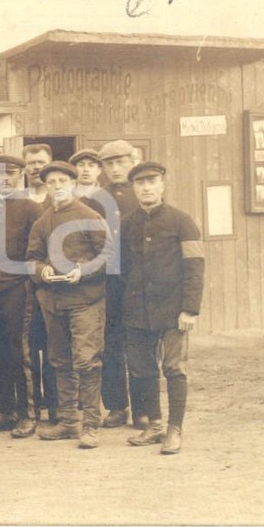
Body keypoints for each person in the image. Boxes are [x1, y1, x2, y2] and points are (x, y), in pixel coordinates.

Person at [26, 161, 115, 449]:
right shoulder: (42, 222)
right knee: (60, 361)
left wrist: (83, 270)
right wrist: (42, 271)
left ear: (73, 184)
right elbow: (32, 259)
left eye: (63, 180)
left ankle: (90, 425)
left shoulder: (90, 216)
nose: (58, 186)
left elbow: (109, 257)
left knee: (87, 361)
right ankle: (68, 422)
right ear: (47, 187)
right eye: (52, 182)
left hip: (85, 302)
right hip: (53, 302)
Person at [120, 163, 205, 455]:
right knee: (143, 370)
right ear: (134, 188)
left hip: (173, 310)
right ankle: (154, 425)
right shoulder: (127, 223)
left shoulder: (183, 221)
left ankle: (174, 429)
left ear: (162, 185)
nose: (146, 187)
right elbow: (122, 269)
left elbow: (195, 268)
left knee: (174, 369)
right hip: (137, 311)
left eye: (152, 181)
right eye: (140, 182)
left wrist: (190, 310)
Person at [0, 155, 45, 437]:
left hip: (18, 290)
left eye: (10, 173)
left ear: (21, 175)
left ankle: (28, 414)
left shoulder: (31, 208)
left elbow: (38, 251)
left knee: (21, 353)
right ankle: (3, 411)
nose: (4, 178)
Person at [97, 139, 144, 429]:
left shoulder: (144, 195)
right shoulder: (96, 198)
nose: (115, 169)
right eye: (109, 164)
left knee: (139, 345)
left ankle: (143, 408)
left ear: (132, 161)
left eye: (120, 162)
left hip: (137, 279)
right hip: (107, 281)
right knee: (110, 345)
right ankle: (116, 407)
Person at [22, 143, 57, 423]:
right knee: (29, 347)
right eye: (31, 163)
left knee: (55, 347)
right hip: (23, 286)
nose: (35, 167)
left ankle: (57, 408)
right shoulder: (18, 199)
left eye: (41, 162)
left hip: (52, 284)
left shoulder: (57, 199)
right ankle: (33, 407)